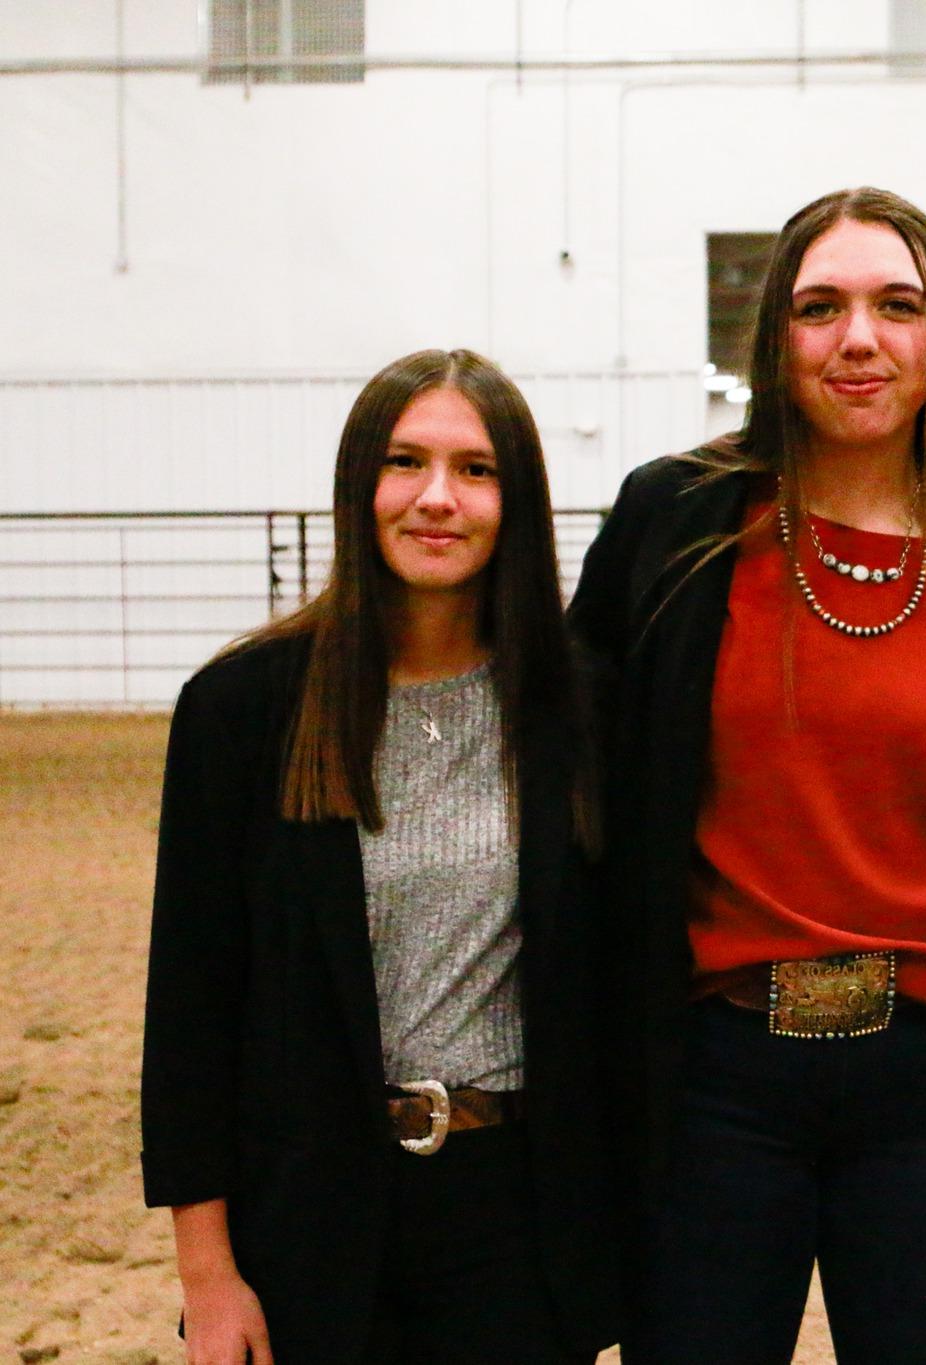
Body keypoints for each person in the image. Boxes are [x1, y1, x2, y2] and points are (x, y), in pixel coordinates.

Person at [568, 186, 926, 1362]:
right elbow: (573, 764)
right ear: (773, 341)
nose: (858, 339)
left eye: (896, 307)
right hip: (713, 1080)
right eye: (819, 307)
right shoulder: (672, 526)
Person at [141, 350, 619, 1363]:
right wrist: (209, 1274)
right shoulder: (241, 712)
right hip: (308, 1221)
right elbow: (190, 1013)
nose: (437, 498)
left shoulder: (583, 712)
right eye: (406, 463)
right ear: (361, 486)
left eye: (475, 470)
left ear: (517, 502)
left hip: (516, 1230)